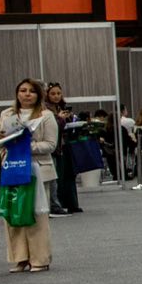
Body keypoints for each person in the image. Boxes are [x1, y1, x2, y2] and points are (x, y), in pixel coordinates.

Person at [0, 78, 59, 273]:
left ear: (39, 94)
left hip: (36, 169)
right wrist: (0, 137)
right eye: (23, 90)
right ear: (17, 93)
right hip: (11, 168)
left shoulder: (46, 116)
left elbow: (50, 144)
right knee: (12, 214)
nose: (27, 94)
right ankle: (20, 258)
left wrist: (26, 147)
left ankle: (40, 258)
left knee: (37, 215)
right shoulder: (6, 114)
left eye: (31, 91)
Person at [44, 83, 84, 216]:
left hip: (65, 145)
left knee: (69, 174)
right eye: (53, 94)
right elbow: (53, 128)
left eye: (58, 93)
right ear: (47, 95)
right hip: (54, 147)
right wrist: (60, 119)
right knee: (57, 177)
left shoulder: (61, 107)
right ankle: (57, 205)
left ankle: (71, 203)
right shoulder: (46, 110)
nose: (56, 96)